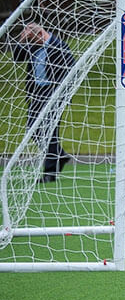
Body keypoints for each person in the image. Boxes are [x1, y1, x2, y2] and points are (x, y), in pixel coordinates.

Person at [12, 23, 74, 182]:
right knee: (32, 129)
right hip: (37, 95)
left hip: (54, 96)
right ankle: (59, 155)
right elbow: (17, 57)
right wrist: (22, 39)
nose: (31, 42)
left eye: (32, 38)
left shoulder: (60, 47)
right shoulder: (34, 46)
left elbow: (71, 71)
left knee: (50, 131)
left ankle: (50, 173)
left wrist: (60, 95)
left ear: (40, 34)